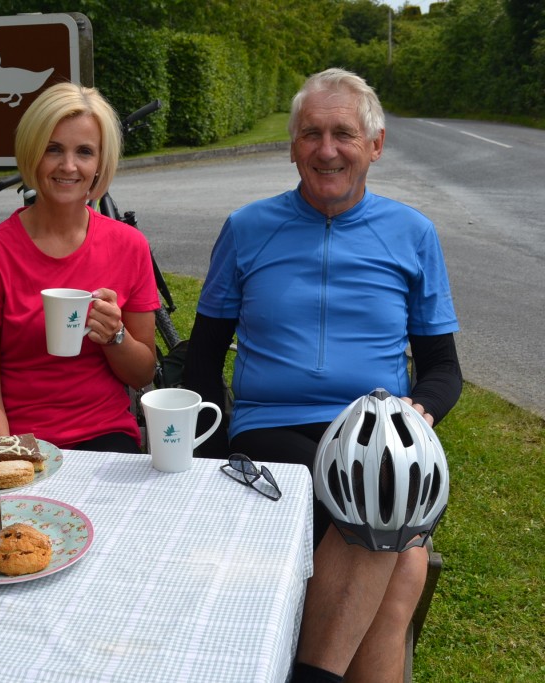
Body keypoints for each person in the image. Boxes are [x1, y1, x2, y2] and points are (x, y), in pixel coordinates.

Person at [182, 68, 462, 682]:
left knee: (386, 517)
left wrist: (417, 415)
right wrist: (212, 452)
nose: (326, 150)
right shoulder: (247, 229)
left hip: (379, 435)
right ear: (292, 147)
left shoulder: (413, 234)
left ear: (375, 145)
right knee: (397, 551)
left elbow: (442, 369)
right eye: (311, 134)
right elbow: (203, 357)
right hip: (272, 433)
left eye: (343, 134)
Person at [0, 82, 159, 453]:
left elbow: (143, 373)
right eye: (53, 149)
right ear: (32, 153)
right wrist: (8, 454)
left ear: (100, 162)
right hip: (23, 441)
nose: (68, 166)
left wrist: (115, 336)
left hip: (107, 434)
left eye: (84, 151)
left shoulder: (129, 246)